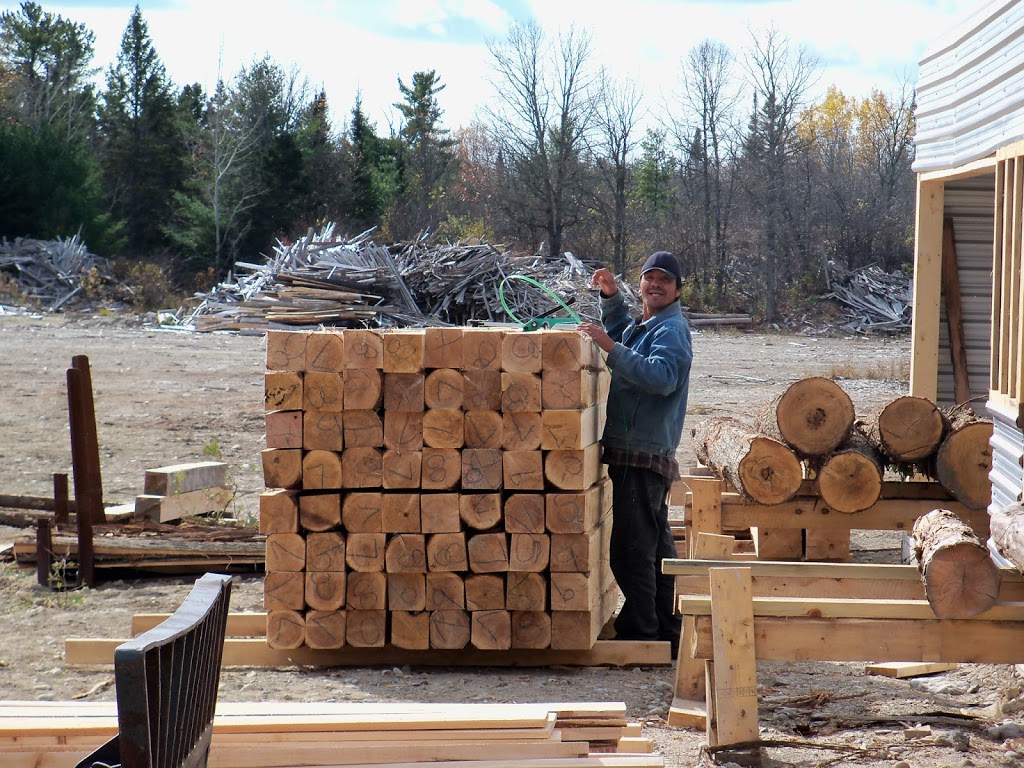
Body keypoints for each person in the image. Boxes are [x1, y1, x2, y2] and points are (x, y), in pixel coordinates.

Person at [578, 251, 692, 654]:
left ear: (678, 289)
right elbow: (628, 335)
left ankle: (641, 633)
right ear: (640, 284)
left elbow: (661, 376)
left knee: (631, 550)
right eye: (649, 279)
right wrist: (610, 299)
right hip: (638, 450)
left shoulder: (672, 329)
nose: (656, 285)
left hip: (643, 453)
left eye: (664, 280)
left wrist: (607, 345)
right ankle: (667, 630)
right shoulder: (650, 323)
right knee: (656, 546)